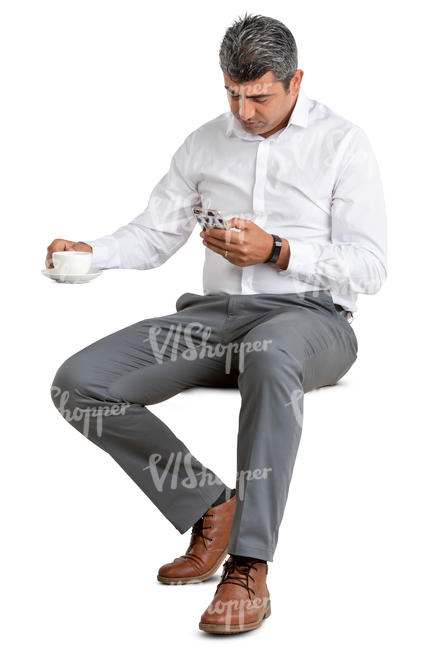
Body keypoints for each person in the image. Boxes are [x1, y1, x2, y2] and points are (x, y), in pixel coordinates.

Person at [47, 12, 387, 635]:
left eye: (259, 96)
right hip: (211, 322)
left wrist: (279, 252)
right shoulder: (205, 142)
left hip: (310, 320)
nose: (245, 109)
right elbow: (155, 234)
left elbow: (370, 267)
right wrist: (90, 252)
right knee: (79, 383)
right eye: (232, 93)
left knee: (269, 350)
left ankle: (248, 564)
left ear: (294, 81)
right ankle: (210, 503)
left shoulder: (342, 143)